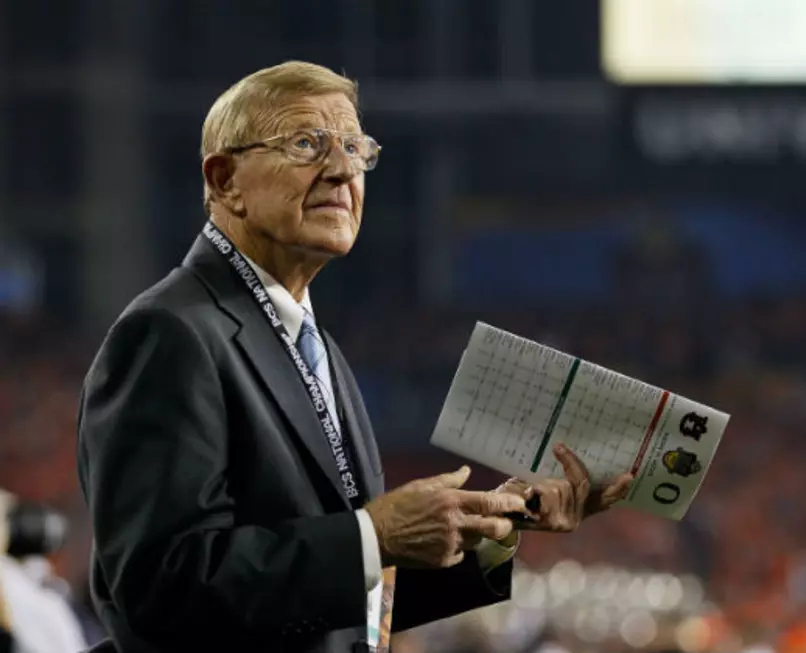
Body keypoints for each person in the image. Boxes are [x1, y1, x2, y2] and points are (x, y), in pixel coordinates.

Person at [76, 61, 633, 653]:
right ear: (225, 180)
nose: (343, 170)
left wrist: (501, 520)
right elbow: (157, 591)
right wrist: (372, 534)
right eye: (307, 144)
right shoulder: (171, 334)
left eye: (355, 148)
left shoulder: (313, 346)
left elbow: (353, 607)